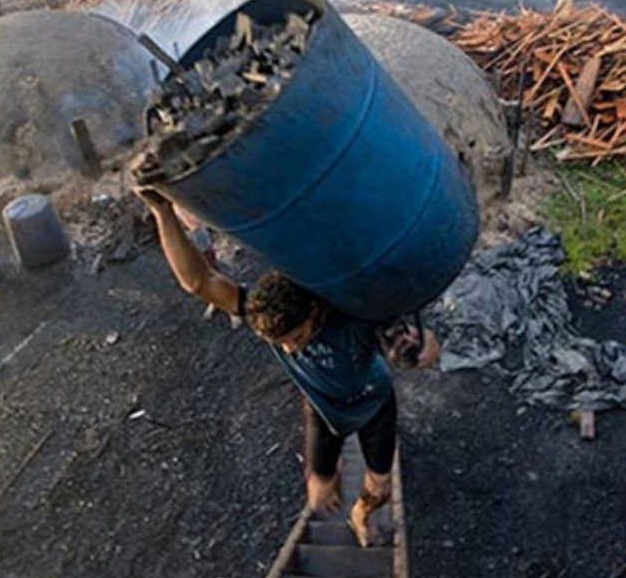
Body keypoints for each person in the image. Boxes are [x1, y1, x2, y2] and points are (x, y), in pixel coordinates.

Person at [137, 188, 440, 547]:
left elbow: (413, 343)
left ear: (315, 313)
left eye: (297, 337)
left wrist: (425, 349)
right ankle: (332, 467)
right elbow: (198, 281)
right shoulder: (261, 311)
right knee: (319, 494)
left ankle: (361, 512)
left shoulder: (353, 318)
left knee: (381, 487)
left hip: (373, 405)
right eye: (279, 342)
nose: (289, 348)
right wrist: (162, 211)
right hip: (323, 410)